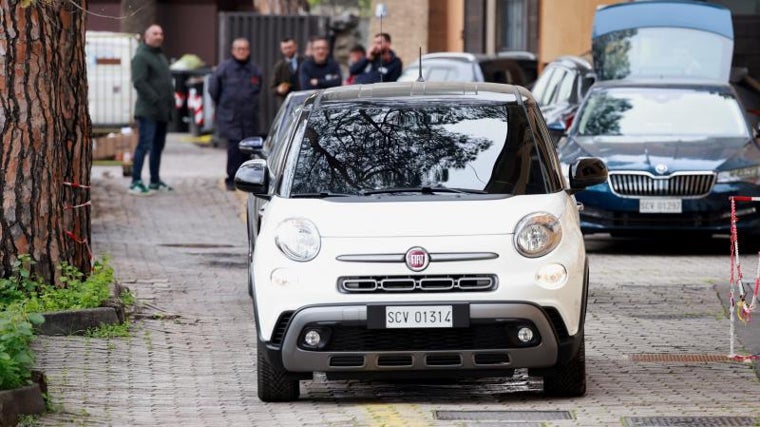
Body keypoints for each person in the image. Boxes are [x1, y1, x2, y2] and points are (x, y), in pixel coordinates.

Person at [208, 38, 263, 191]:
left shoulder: (254, 70)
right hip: (230, 116)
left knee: (248, 149)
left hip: (248, 118)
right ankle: (231, 179)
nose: (241, 51)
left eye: (244, 48)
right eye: (238, 48)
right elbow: (213, 89)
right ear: (233, 51)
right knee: (234, 148)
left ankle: (246, 180)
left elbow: (258, 89)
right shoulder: (224, 68)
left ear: (249, 51)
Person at [129, 24, 175, 196]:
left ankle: (155, 181)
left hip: (163, 111)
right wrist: (155, 99)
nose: (159, 36)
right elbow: (139, 82)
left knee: (158, 147)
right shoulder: (141, 56)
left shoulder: (160, 55)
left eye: (161, 33)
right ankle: (136, 181)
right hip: (149, 111)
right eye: (155, 33)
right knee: (144, 146)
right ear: (146, 37)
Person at [271, 38, 304, 109]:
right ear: (281, 49)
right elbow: (273, 87)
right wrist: (279, 89)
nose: (288, 50)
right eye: (285, 48)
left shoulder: (305, 62)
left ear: (295, 46)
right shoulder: (279, 66)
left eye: (290, 47)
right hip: (288, 104)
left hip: (305, 101)